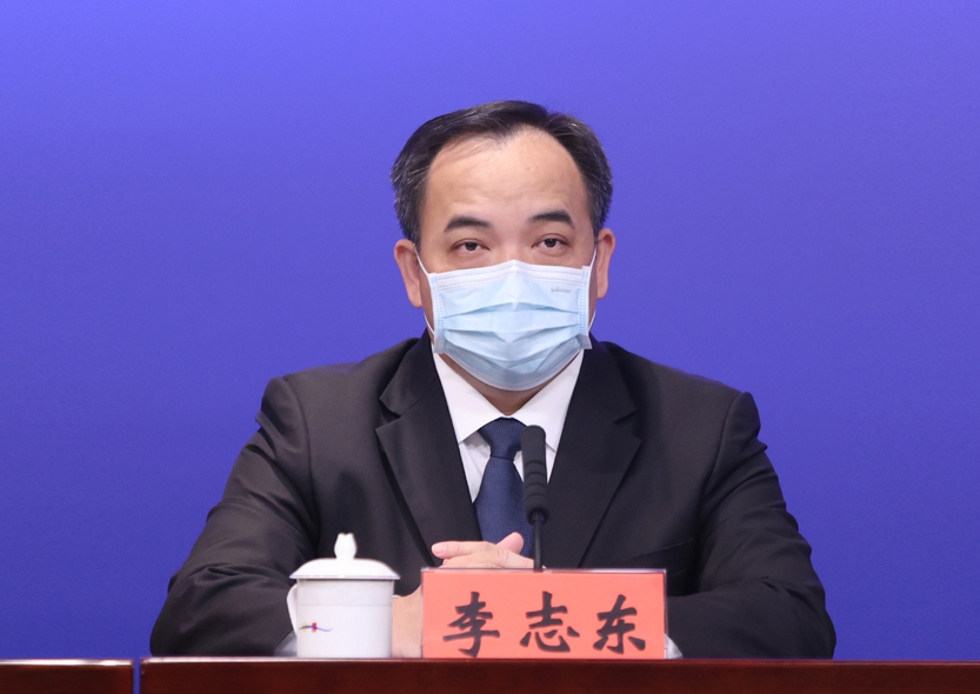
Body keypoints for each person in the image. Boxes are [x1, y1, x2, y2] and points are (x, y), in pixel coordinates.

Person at [150, 100, 835, 659]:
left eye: (549, 242)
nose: (513, 275)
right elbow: (202, 609)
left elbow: (790, 618)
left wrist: (558, 616)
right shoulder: (318, 422)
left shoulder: (699, 427)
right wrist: (389, 624)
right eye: (471, 245)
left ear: (599, 263)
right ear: (414, 273)